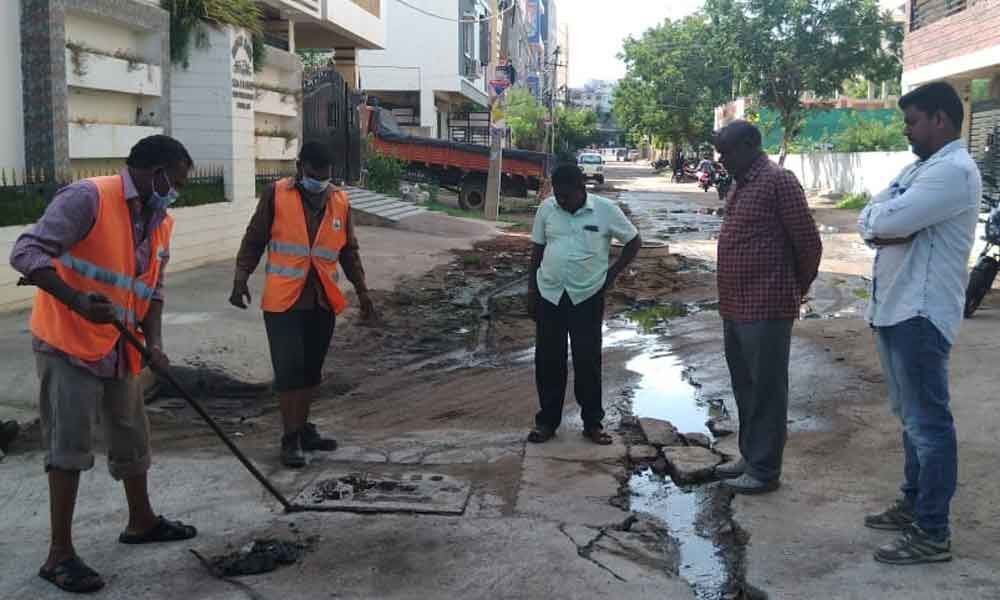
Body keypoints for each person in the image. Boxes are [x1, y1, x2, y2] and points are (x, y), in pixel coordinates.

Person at [9, 135, 198, 594]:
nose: (177, 190)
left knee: (132, 434)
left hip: (122, 346)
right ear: (154, 172)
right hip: (68, 342)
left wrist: (154, 342)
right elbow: (25, 252)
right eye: (174, 181)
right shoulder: (88, 198)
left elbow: (152, 290)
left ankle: (141, 521)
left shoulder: (160, 221)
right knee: (69, 445)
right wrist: (75, 299)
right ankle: (59, 555)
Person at [857, 82, 979, 565]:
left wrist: (884, 224)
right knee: (910, 420)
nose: (907, 130)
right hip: (894, 308)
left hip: (921, 314)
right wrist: (881, 223)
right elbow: (872, 216)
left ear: (941, 121)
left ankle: (932, 533)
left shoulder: (952, 172)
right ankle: (913, 504)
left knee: (929, 425)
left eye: (913, 122)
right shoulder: (918, 169)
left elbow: (886, 222)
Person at [230, 142, 377, 468]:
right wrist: (241, 278)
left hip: (322, 300)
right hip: (284, 301)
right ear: (301, 168)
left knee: (311, 371)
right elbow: (255, 238)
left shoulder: (339, 200)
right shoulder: (277, 194)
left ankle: (303, 427)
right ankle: (290, 438)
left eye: (325, 177)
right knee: (289, 371)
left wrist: (363, 291)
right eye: (313, 175)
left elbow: (348, 251)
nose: (319, 182)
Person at [712, 121, 822, 494]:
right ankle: (751, 456)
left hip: (766, 306)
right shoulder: (742, 184)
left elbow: (809, 245)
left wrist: (792, 289)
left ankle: (765, 470)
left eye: (726, 151)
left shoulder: (779, 181)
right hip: (735, 305)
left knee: (767, 391)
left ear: (748, 145)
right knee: (745, 388)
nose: (721, 159)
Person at [526, 164, 642, 445]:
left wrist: (611, 276)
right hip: (550, 294)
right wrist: (531, 291)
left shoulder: (605, 210)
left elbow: (634, 241)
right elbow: (537, 251)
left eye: (566, 196)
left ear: (582, 189)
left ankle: (592, 423)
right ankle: (547, 423)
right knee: (548, 360)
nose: (561, 201)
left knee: (587, 360)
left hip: (587, 297)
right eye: (557, 195)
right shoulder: (547, 209)